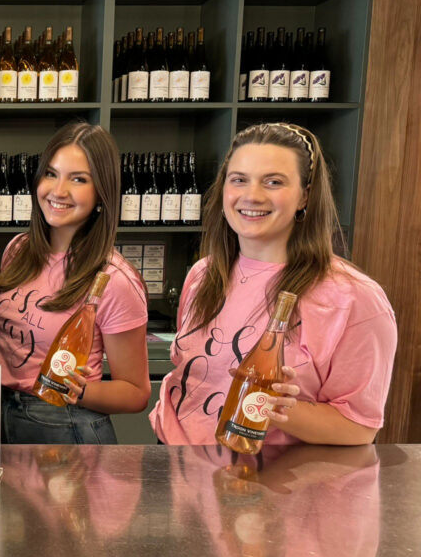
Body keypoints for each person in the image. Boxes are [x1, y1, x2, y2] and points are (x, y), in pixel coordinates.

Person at [150, 122, 397, 445]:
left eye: (274, 182)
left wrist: (279, 407)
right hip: (173, 464)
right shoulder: (204, 274)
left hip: (262, 482)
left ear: (305, 196)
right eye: (239, 180)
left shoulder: (353, 298)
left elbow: (360, 426)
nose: (252, 196)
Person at [0, 122, 150, 444]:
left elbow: (135, 393)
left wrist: (77, 389)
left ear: (101, 192)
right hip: (0, 415)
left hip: (64, 424)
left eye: (78, 179)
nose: (58, 191)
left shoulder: (113, 280)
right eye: (51, 173)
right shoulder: (19, 250)